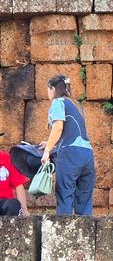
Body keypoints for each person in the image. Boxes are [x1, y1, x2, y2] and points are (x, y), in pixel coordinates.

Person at [41, 74, 95, 215]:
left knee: (64, 194)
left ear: (52, 88)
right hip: (87, 154)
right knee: (84, 199)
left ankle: (64, 233)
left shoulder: (58, 102)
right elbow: (73, 132)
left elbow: (58, 127)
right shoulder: (76, 104)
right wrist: (51, 143)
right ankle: (86, 232)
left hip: (71, 155)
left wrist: (47, 151)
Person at [0, 134, 29, 216]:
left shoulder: (6, 159)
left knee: (13, 204)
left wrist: (24, 210)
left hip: (4, 203)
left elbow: (19, 185)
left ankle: (9, 228)